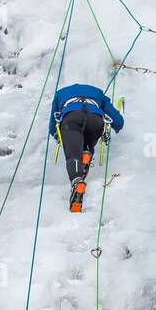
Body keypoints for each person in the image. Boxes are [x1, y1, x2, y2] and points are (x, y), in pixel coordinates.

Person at [48, 82, 125, 213]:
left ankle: (77, 181)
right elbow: (118, 120)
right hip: (95, 120)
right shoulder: (98, 93)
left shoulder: (60, 93)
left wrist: (59, 138)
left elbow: (52, 125)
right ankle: (86, 153)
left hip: (71, 118)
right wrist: (117, 127)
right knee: (87, 144)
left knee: (73, 155)